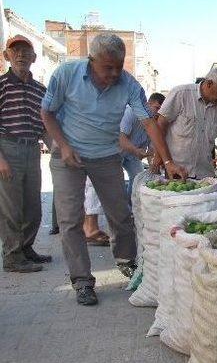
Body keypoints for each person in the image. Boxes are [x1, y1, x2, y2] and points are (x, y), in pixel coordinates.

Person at [41, 33, 186, 306]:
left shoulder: (129, 83)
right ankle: (82, 281)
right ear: (91, 61)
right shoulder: (66, 75)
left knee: (120, 214)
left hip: (107, 155)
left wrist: (167, 161)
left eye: (119, 65)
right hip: (68, 156)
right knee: (71, 220)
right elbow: (47, 112)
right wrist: (62, 145)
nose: (115, 72)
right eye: (108, 67)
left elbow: (149, 123)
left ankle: (126, 261)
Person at [0, 35, 51, 272]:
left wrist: (58, 150)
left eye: (25, 51)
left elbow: (46, 125)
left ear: (34, 58)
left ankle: (26, 248)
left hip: (32, 149)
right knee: (11, 209)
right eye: (15, 50)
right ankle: (12, 256)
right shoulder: (1, 86)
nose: (21, 55)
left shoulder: (40, 90)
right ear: (6, 55)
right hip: (7, 149)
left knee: (33, 207)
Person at [154, 66, 217, 179]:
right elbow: (160, 125)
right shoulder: (181, 94)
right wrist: (161, 157)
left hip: (204, 174)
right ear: (209, 84)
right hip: (177, 170)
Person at [119, 92, 165, 200]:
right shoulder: (130, 113)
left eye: (160, 110)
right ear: (148, 104)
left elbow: (152, 149)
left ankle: (132, 205)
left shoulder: (155, 122)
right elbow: (121, 139)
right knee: (116, 181)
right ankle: (121, 208)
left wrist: (153, 165)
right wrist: (136, 151)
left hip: (133, 155)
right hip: (116, 152)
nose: (157, 113)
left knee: (138, 179)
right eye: (156, 108)